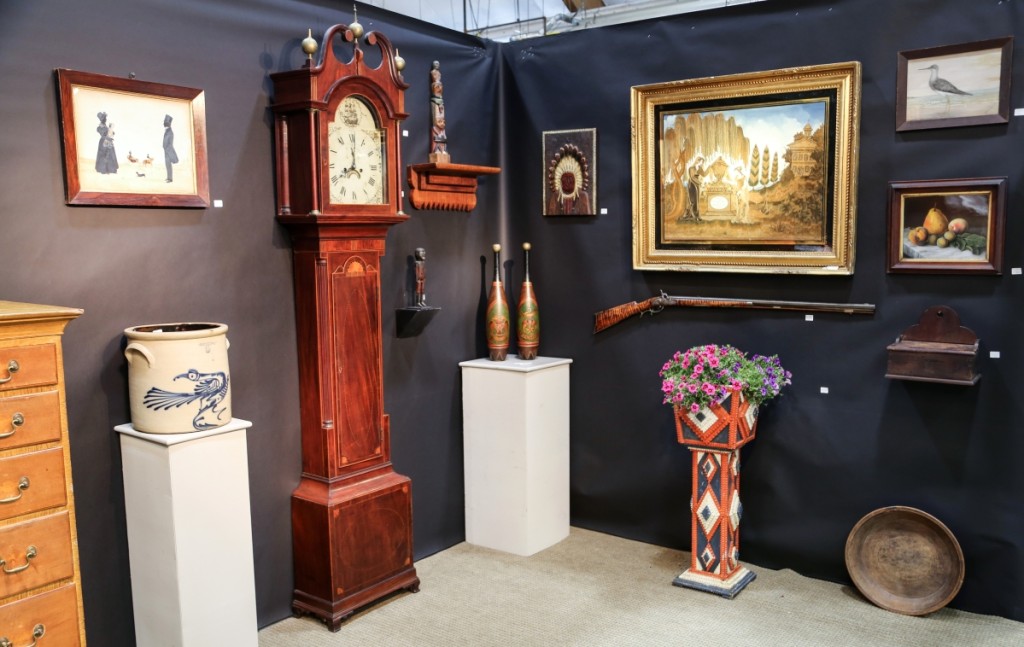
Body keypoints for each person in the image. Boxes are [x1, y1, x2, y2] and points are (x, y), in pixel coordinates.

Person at [429, 61, 448, 161]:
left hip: (439, 101)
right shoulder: (434, 74)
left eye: (440, 87)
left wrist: (441, 122)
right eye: (437, 88)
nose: (439, 89)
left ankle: (443, 150)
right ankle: (437, 151)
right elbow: (437, 120)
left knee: (442, 136)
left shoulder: (439, 80)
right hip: (436, 101)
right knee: (437, 132)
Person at [163, 114, 179, 183]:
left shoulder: (170, 132)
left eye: (166, 124)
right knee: (167, 164)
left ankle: (170, 179)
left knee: (168, 164)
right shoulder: (167, 131)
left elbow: (169, 143)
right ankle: (169, 178)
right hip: (166, 150)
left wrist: (167, 149)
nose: (165, 125)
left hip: (168, 150)